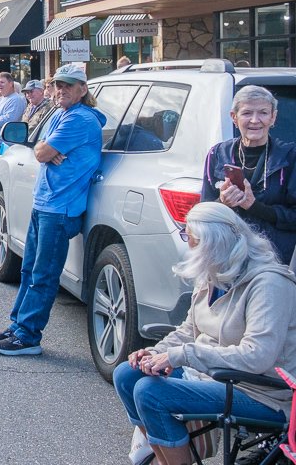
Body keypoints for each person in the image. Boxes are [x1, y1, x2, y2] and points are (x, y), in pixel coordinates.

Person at [113, 202, 296, 465]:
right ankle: (170, 458)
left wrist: (181, 356)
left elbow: (258, 357)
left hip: (263, 393)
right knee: (128, 375)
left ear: (213, 244)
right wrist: (155, 352)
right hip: (215, 377)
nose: (188, 244)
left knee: (150, 393)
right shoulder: (214, 273)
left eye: (191, 239)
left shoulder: (270, 283)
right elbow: (189, 331)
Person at [0, 63, 104, 356]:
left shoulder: (80, 119)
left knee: (43, 274)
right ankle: (17, 326)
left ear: (83, 89)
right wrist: (48, 151)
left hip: (61, 208)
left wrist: (48, 152)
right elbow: (42, 148)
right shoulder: (61, 114)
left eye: (68, 85)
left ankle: (28, 336)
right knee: (28, 269)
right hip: (46, 202)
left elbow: (40, 152)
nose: (61, 90)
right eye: (58, 85)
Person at [201, 85, 296, 265]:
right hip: (228, 257)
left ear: (273, 117)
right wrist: (222, 203)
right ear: (234, 117)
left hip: (275, 261)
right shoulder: (217, 154)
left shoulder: (290, 156)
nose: (255, 120)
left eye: (263, 113)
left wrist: (255, 207)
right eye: (246, 113)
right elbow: (203, 214)